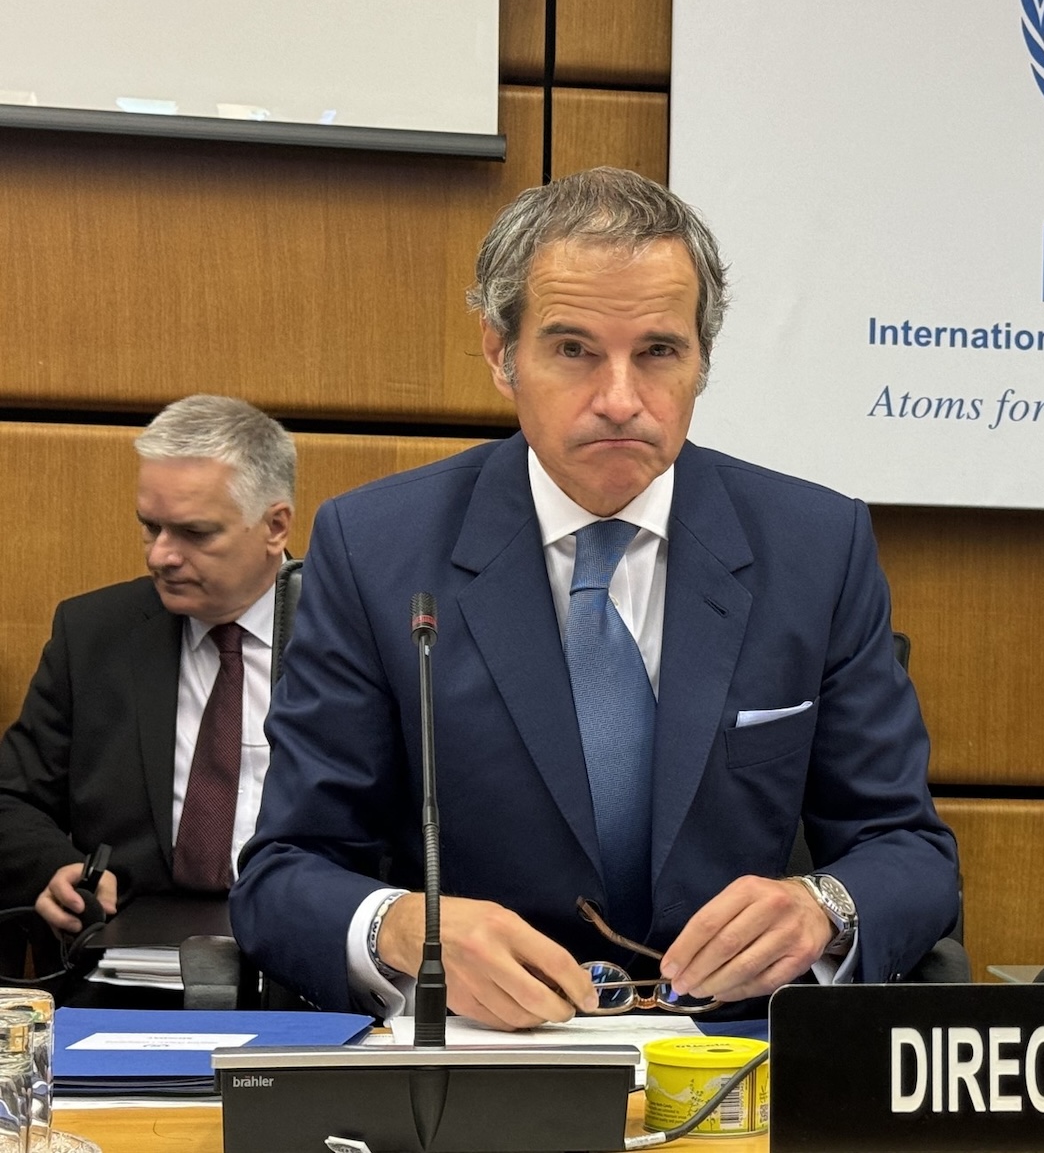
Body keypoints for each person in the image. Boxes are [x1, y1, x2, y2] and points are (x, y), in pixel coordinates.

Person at [231, 167, 959, 1026]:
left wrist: (825, 907)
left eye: (658, 351)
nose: (620, 399)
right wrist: (404, 929)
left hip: (736, 1061)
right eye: (573, 349)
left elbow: (908, 851)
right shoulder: (378, 549)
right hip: (477, 1056)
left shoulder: (814, 546)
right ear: (502, 355)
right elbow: (284, 873)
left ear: (702, 360)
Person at [0, 395, 296, 944]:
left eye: (194, 533)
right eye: (150, 527)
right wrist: (55, 869)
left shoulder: (355, 637)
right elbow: (12, 799)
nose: (161, 555)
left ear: (275, 526)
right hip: (126, 953)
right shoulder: (93, 634)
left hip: (309, 955)